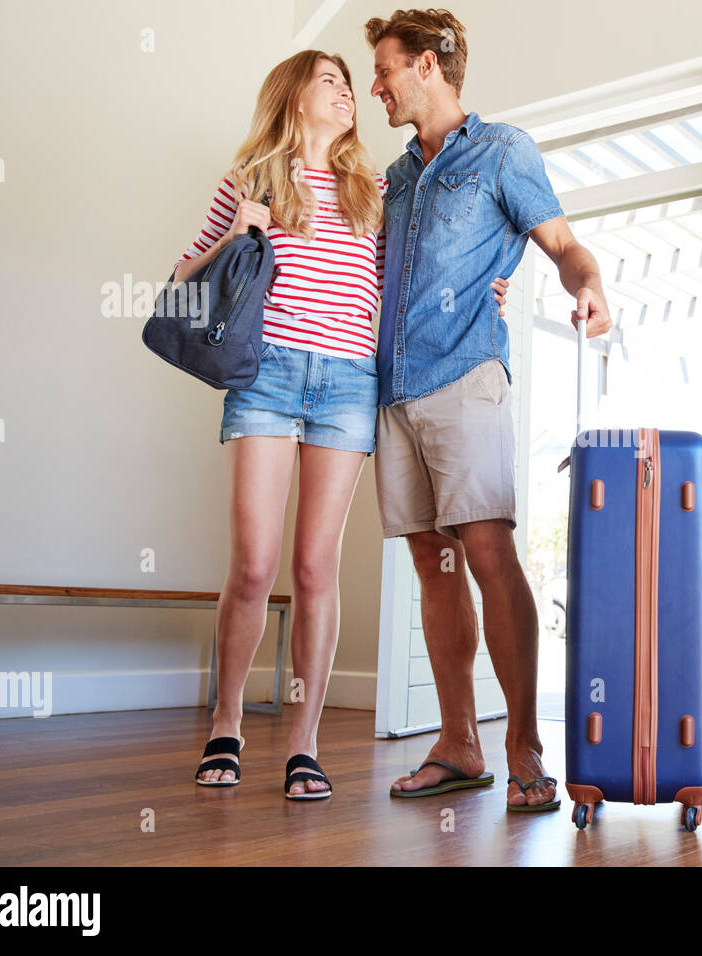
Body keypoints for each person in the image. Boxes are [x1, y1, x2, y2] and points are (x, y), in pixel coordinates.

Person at [177, 48, 509, 800]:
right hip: (267, 375)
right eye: (330, 81)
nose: (348, 94)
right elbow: (181, 284)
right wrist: (237, 232)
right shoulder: (251, 179)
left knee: (313, 568)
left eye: (349, 85)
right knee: (255, 565)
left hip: (348, 382)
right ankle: (226, 722)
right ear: (295, 99)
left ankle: (304, 743)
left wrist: (481, 287)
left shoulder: (377, 187)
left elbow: (412, 280)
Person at [365, 9, 613, 812]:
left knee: (486, 551)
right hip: (393, 389)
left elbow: (564, 244)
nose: (377, 86)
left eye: (387, 69)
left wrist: (589, 289)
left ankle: (524, 747)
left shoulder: (504, 152)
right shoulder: (395, 178)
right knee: (432, 567)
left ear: (430, 65)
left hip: (466, 376)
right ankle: (459, 743)